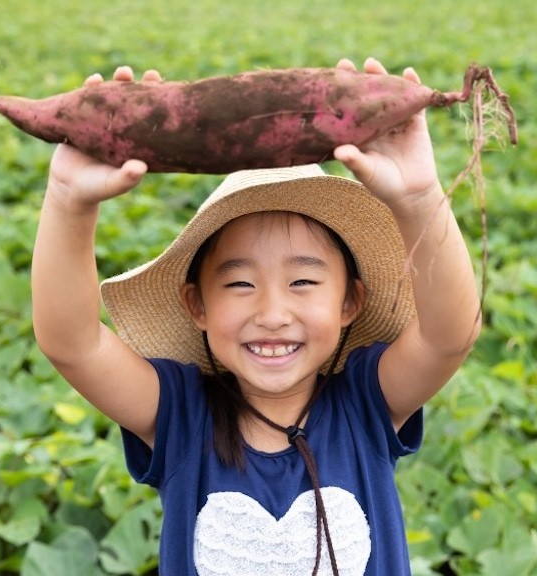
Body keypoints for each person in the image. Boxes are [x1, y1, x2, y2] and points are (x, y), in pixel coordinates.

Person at [31, 57, 482, 575]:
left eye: (304, 283)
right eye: (240, 284)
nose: (272, 313)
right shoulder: (181, 416)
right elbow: (74, 344)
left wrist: (420, 197)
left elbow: (449, 337)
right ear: (196, 304)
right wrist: (69, 201)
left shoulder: (367, 403)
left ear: (349, 303)